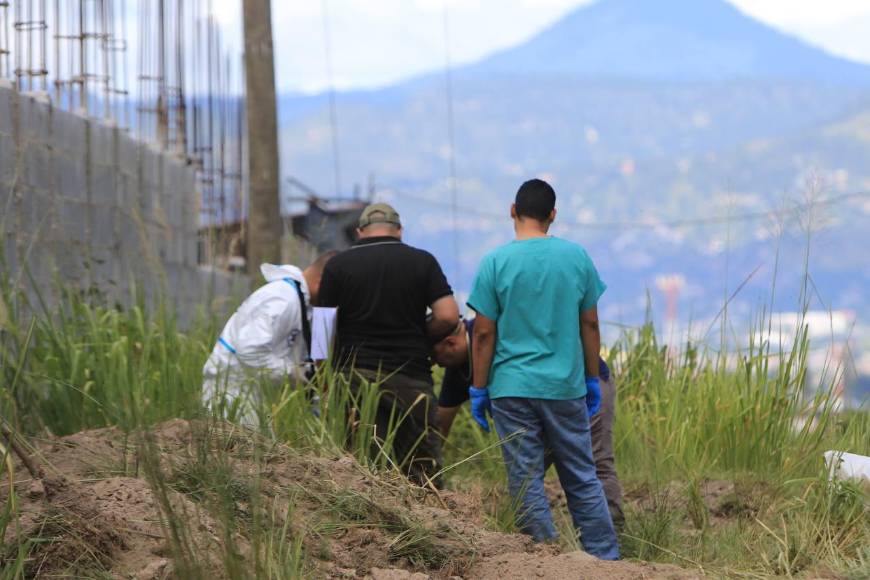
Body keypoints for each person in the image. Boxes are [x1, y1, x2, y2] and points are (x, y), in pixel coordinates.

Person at [466, 179, 619, 559]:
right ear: (553, 215)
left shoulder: (495, 262)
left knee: (525, 477)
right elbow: (590, 324)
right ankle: (604, 557)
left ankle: (542, 558)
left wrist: (479, 388)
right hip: (565, 387)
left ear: (512, 210)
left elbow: (483, 333)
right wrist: (590, 378)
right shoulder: (576, 257)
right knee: (582, 475)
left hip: (511, 388)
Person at [433, 319, 625, 529]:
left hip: (581, 382)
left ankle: (613, 533)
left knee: (595, 462)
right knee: (525, 473)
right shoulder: (458, 368)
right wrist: (426, 474)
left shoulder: (493, 331)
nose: (435, 363)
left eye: (434, 356)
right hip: (540, 402)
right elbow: (439, 428)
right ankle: (538, 546)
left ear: (451, 343)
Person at [318, 203, 459, 486]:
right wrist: (421, 337)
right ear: (399, 231)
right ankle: (430, 525)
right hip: (412, 380)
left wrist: (324, 381)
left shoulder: (337, 266)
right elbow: (448, 316)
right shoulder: (423, 262)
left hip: (355, 380)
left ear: (359, 232)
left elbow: (322, 333)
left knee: (361, 472)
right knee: (422, 474)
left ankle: (365, 527)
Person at [202, 253, 335, 425]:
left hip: (253, 391)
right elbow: (249, 350)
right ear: (322, 281)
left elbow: (312, 358)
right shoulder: (283, 298)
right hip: (231, 392)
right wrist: (293, 373)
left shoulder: (304, 303)